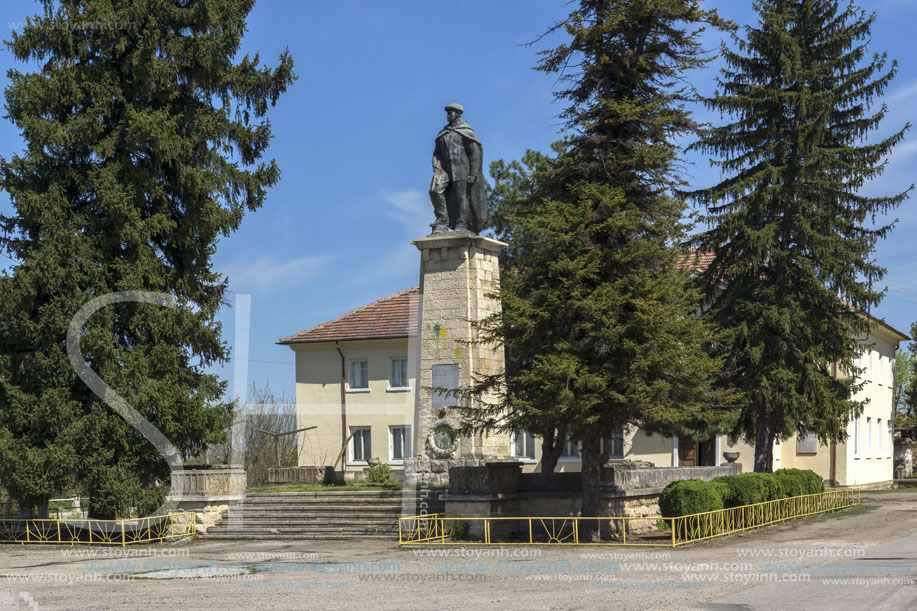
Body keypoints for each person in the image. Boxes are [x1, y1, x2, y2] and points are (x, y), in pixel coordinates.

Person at [429, 103, 486, 234]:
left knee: (461, 196)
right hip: (444, 171)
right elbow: (436, 153)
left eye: (450, 112)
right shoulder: (443, 133)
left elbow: (474, 154)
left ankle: (462, 223)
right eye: (447, 113)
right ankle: (442, 220)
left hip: (462, 170)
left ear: (458, 114)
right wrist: (436, 166)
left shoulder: (466, 132)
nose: (447, 115)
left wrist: (472, 173)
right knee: (435, 190)